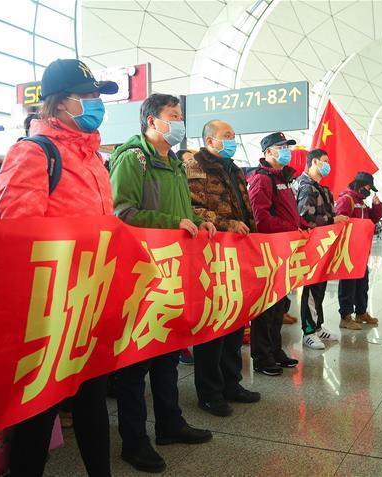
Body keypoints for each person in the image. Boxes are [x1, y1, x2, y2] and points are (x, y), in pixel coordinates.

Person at [0, 58, 117, 477]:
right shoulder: (33, 153)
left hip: (89, 299)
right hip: (48, 307)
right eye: (86, 97)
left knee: (92, 401)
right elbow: (18, 235)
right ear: (59, 103)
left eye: (97, 97)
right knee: (39, 411)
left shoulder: (94, 158)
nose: (95, 104)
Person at [109, 93, 215, 472]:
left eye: (180, 115)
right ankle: (133, 441)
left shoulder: (173, 163)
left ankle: (170, 424)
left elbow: (180, 211)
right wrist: (172, 223)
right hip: (140, 273)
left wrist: (195, 220)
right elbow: (122, 213)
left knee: (168, 350)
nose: (179, 122)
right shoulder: (132, 159)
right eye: (173, 116)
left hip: (171, 272)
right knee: (135, 362)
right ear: (152, 121)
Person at [185, 119, 261, 417]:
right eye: (226, 136)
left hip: (238, 254)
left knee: (234, 321)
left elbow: (245, 209)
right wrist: (227, 224)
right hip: (212, 254)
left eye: (233, 134)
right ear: (209, 140)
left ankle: (232, 382)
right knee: (213, 325)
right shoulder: (195, 166)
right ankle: (209, 392)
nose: (231, 139)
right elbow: (192, 208)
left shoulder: (234, 169)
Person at [247, 131, 305, 375]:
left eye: (287, 146)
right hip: (269, 250)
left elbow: (287, 212)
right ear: (268, 151)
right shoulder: (262, 179)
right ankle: (262, 356)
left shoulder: (283, 178)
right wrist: (291, 229)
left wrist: (301, 224)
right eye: (281, 146)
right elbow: (260, 219)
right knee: (266, 306)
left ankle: (275, 349)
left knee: (279, 303)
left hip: (283, 248)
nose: (286, 150)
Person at [295, 148, 348, 349]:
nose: (328, 165)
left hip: (323, 244)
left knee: (320, 288)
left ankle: (318, 326)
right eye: (324, 161)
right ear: (315, 162)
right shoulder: (306, 187)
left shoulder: (320, 188)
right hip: (311, 245)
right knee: (310, 288)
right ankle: (308, 331)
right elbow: (305, 217)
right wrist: (333, 219)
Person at [335, 171, 382, 325]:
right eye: (368, 188)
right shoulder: (347, 199)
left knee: (362, 283)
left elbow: (373, 219)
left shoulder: (362, 202)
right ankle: (346, 316)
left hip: (361, 250)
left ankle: (361, 312)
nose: (369, 191)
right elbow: (339, 224)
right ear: (361, 185)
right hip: (349, 250)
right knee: (348, 284)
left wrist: (377, 206)